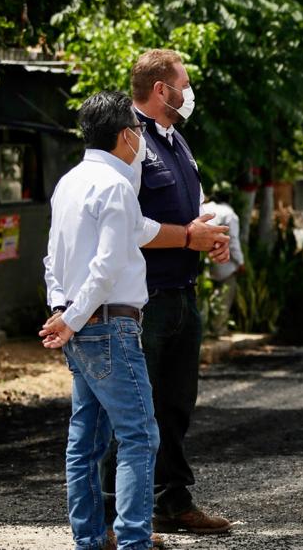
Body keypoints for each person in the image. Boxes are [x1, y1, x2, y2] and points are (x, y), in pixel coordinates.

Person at [101, 49, 233, 537]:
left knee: (175, 406)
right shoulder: (127, 139)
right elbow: (123, 223)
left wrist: (206, 236)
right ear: (162, 90)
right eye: (186, 82)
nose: (190, 91)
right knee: (132, 410)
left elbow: (182, 214)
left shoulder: (176, 140)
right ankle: (115, 518)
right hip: (142, 299)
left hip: (182, 292)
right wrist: (186, 236)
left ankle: (171, 503)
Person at [42, 91, 160, 550]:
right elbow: (108, 266)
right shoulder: (114, 186)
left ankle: (89, 540)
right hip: (109, 326)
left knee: (84, 443)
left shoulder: (69, 182)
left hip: (81, 325)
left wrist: (61, 311)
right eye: (139, 129)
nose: (141, 138)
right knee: (138, 437)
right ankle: (133, 541)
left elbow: (52, 258)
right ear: (126, 135)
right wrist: (70, 317)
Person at [200, 184, 246, 335]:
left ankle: (204, 329)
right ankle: (219, 329)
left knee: (205, 296)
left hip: (203, 259)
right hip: (224, 262)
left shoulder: (204, 208)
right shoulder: (229, 213)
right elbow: (232, 241)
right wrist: (240, 262)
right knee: (225, 294)